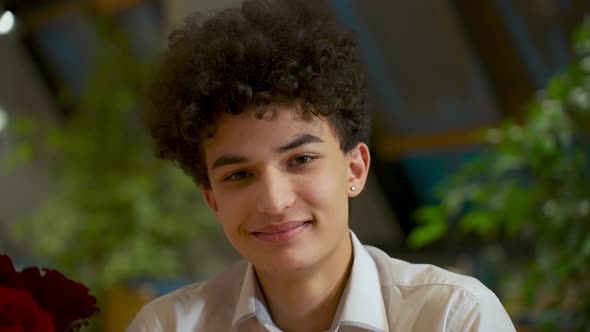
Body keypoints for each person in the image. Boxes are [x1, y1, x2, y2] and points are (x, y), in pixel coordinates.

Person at [127, 0, 516, 331]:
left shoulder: (454, 318)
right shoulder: (168, 325)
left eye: (301, 160)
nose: (275, 202)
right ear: (213, 200)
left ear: (355, 169)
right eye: (238, 175)